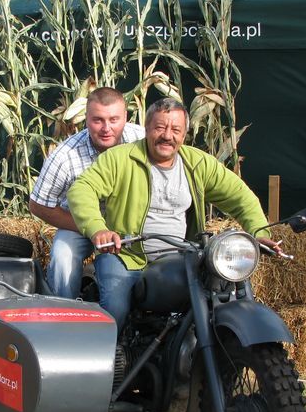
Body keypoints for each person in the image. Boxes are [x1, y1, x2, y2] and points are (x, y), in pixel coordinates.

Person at [67, 97, 280, 328]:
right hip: (126, 257)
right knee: (115, 310)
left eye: (175, 129)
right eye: (160, 127)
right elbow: (82, 189)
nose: (167, 136)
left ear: (184, 133)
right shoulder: (119, 159)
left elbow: (240, 196)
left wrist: (258, 232)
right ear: (146, 128)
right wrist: (99, 229)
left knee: (218, 295)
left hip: (182, 259)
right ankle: (111, 361)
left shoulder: (197, 164)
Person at [30, 87, 145, 298]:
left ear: (125, 117)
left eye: (114, 119)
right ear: (86, 119)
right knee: (63, 254)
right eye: (98, 120)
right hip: (79, 225)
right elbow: (38, 205)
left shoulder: (141, 140)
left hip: (130, 221)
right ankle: (64, 312)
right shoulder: (65, 156)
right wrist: (90, 228)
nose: (106, 128)